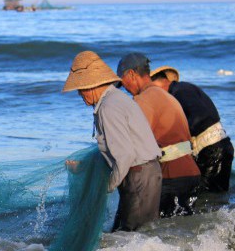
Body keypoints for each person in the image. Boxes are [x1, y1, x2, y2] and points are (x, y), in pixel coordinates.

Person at [63, 51, 162, 231]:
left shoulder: (108, 107)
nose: (79, 95)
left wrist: (106, 187)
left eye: (80, 89)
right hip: (144, 174)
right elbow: (115, 150)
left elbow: (125, 155)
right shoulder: (115, 99)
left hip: (139, 176)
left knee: (132, 238)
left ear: (91, 86)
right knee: (132, 235)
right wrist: (84, 167)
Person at [117, 53, 202, 217]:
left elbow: (134, 142)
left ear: (132, 75)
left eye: (123, 82)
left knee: (158, 232)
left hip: (173, 176)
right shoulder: (166, 95)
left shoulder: (143, 100)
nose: (125, 89)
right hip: (191, 173)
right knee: (182, 232)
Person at [150, 66, 234, 192]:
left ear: (159, 84)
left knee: (206, 197)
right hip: (220, 146)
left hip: (212, 150)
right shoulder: (185, 88)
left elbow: (199, 117)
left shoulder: (179, 93)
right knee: (217, 196)